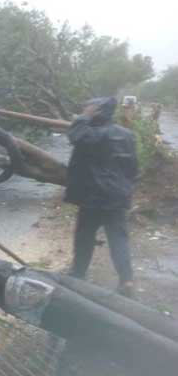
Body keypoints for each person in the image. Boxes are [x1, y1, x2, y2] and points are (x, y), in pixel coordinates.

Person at [64, 97, 139, 298]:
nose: (84, 108)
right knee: (118, 239)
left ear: (98, 110)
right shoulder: (127, 134)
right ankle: (127, 280)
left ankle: (78, 275)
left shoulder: (88, 132)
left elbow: (73, 136)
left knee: (84, 238)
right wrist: (125, 188)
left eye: (88, 106)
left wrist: (82, 117)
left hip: (93, 197)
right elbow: (132, 168)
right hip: (117, 196)